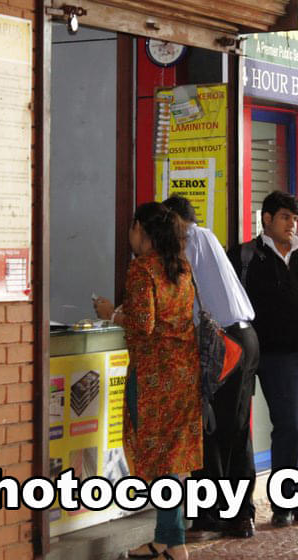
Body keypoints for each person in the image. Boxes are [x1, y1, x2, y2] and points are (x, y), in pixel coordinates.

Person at [93, 202, 202, 560]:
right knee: (173, 460)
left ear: (141, 229)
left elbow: (144, 324)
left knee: (159, 460)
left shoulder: (142, 269)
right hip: (183, 373)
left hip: (154, 378)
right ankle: (168, 541)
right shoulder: (181, 267)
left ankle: (173, 541)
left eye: (132, 228)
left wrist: (112, 314)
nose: (130, 235)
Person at [228, 190, 298, 528]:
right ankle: (285, 501)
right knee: (291, 427)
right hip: (278, 358)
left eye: (295, 218)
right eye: (285, 217)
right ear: (267, 219)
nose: (292, 224)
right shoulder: (246, 257)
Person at [162, 195, 260, 539]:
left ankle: (223, 514)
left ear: (176, 220)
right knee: (229, 428)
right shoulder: (207, 237)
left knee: (216, 429)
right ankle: (230, 513)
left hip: (223, 343)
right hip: (240, 338)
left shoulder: (192, 240)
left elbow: (180, 298)